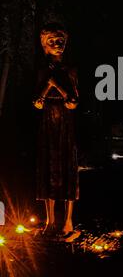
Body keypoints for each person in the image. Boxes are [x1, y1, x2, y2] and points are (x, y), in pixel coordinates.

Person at [33, 22, 79, 236]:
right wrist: (46, 88)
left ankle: (68, 221)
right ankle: (50, 221)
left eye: (60, 41)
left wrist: (57, 87)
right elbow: (37, 102)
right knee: (48, 169)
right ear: (45, 45)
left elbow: (73, 102)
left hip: (65, 124)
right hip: (48, 124)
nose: (57, 44)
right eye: (52, 41)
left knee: (68, 168)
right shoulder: (42, 71)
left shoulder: (69, 70)